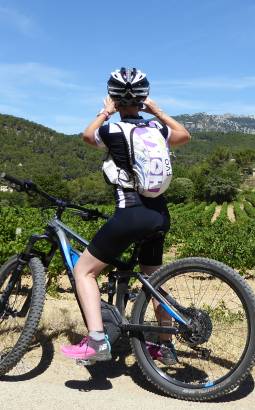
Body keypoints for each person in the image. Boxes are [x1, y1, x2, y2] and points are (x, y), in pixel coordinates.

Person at [60, 67, 190, 364]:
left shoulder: (112, 130)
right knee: (154, 279)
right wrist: (157, 111)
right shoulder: (157, 130)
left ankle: (96, 341)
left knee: (84, 271)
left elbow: (86, 135)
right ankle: (164, 346)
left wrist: (105, 112)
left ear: (114, 99)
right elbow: (185, 135)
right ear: (144, 97)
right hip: (159, 215)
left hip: (131, 213)